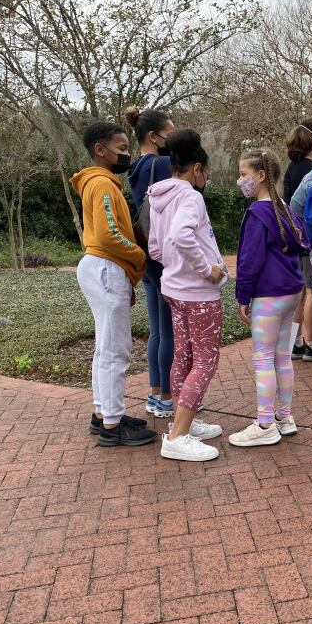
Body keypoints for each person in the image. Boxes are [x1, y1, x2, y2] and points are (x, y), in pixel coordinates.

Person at [71, 121, 154, 447]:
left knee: (106, 347)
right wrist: (138, 256)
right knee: (116, 351)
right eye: (121, 149)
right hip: (106, 266)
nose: (127, 154)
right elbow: (109, 234)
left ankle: (104, 413)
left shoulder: (99, 182)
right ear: (99, 150)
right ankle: (112, 424)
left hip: (101, 267)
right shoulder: (103, 184)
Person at [147, 129, 225, 462]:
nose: (206, 178)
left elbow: (156, 246)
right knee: (206, 360)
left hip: (173, 290)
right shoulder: (190, 197)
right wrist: (208, 270)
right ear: (196, 169)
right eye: (206, 172)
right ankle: (178, 435)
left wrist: (177, 267)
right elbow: (181, 236)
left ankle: (183, 425)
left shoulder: (159, 197)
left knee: (184, 356)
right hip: (198, 292)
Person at [230, 149, 309, 448]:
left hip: (267, 296)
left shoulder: (257, 214)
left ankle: (264, 423)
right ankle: (284, 417)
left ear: (261, 176)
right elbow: (304, 244)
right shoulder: (285, 210)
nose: (241, 180)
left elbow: (249, 260)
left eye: (244, 174)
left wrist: (243, 295)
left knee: (263, 359)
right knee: (282, 358)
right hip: (291, 293)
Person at [125, 106, 176, 420]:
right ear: (155, 137)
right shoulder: (163, 163)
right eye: (170, 133)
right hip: (164, 252)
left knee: (158, 328)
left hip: (145, 251)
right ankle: (169, 396)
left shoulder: (137, 166)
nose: (174, 138)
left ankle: (156, 392)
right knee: (168, 329)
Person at [284, 118, 312, 362]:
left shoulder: (292, 167)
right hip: (307, 238)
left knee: (299, 292)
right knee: (311, 290)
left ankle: (296, 341)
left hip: (292, 235)